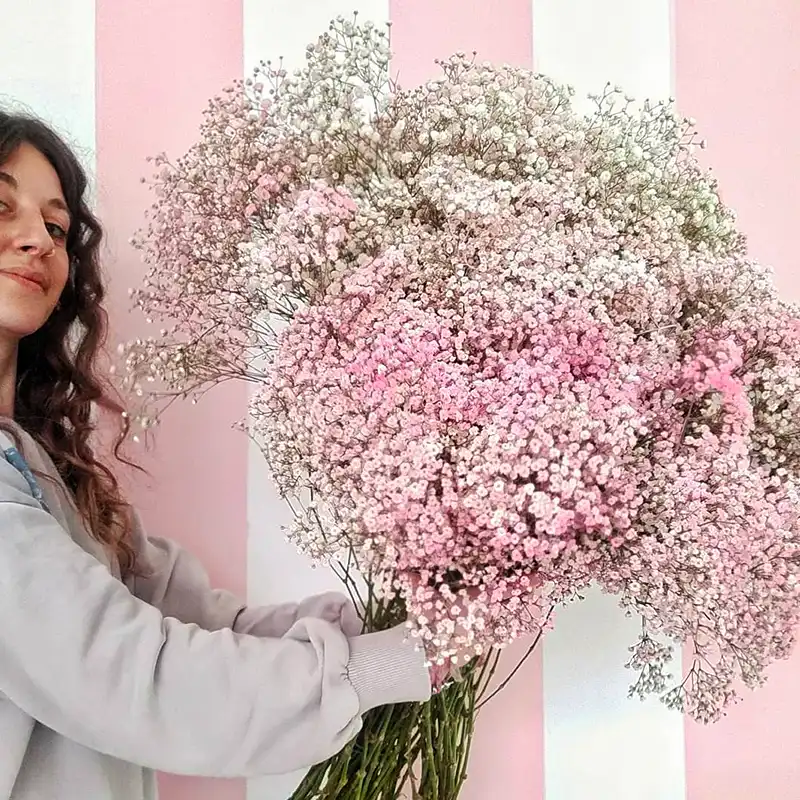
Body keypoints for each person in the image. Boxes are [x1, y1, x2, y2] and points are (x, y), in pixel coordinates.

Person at [0, 111, 433, 800]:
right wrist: (380, 668)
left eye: (56, 228)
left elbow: (199, 621)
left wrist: (394, 622)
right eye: (2, 208)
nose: (37, 242)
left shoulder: (40, 468)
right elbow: (141, 678)